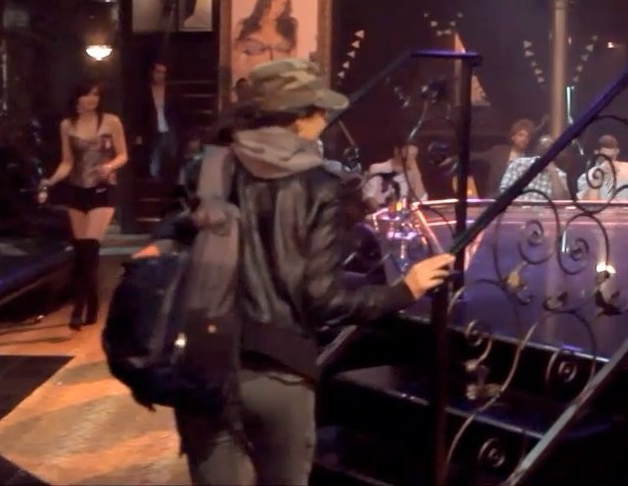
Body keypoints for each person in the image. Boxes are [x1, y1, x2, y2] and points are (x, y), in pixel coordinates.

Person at [137, 58, 455, 485]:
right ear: (298, 119)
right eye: (319, 110)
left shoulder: (204, 169)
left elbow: (168, 251)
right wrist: (404, 290)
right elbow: (324, 300)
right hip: (279, 371)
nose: (324, 120)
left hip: (203, 363)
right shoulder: (318, 185)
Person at [38, 82, 128, 329]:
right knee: (82, 252)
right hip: (76, 190)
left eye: (95, 95)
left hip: (103, 189)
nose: (91, 99)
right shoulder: (67, 125)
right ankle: (93, 300)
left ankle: (78, 308)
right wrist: (51, 180)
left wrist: (109, 166)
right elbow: (67, 162)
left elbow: (123, 155)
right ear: (77, 98)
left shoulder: (111, 121)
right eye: (87, 94)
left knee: (90, 246)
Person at [230, 0, 298, 98]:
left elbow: (293, 59)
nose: (279, 7)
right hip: (253, 91)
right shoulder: (245, 25)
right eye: (275, 0)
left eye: (283, 3)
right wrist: (246, 80)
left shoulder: (290, 25)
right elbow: (233, 60)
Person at [361, 144, 429, 211]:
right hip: (381, 212)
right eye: (408, 154)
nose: (410, 159)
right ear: (397, 151)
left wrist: (416, 173)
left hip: (403, 214)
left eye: (414, 155)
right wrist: (381, 211)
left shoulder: (412, 174)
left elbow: (421, 200)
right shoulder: (378, 168)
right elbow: (368, 196)